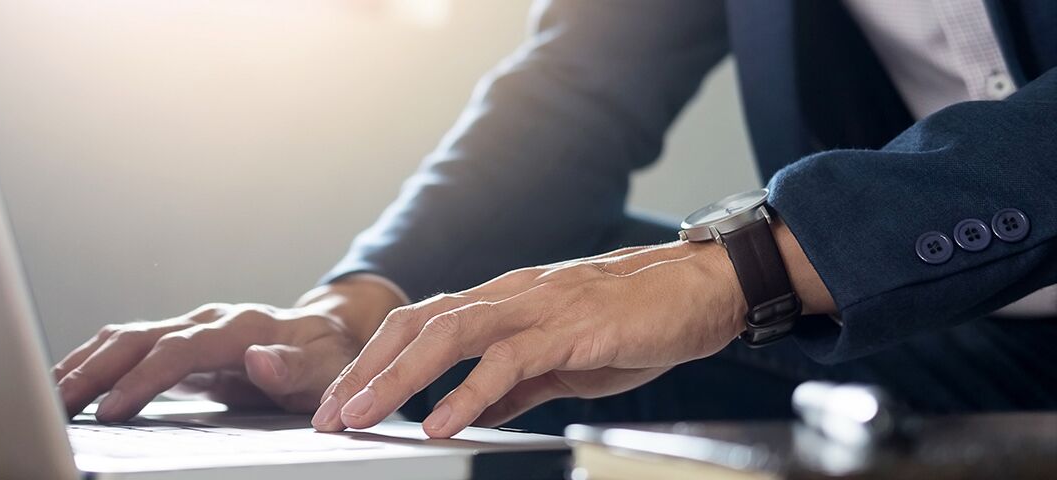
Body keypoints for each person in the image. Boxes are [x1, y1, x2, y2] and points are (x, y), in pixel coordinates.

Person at [53, 0, 1057, 438]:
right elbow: (581, 85)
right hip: (928, 322)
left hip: (913, 285)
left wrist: (739, 265)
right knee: (496, 359)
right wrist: (359, 314)